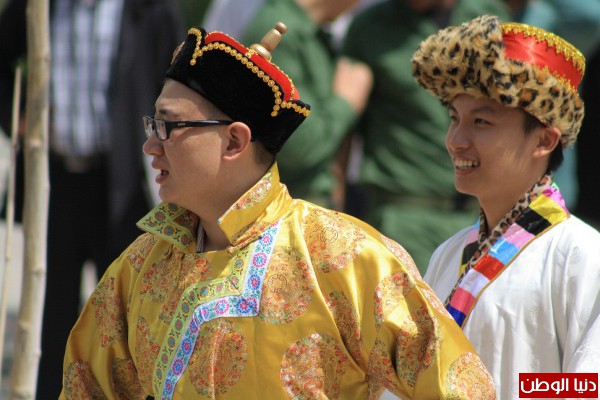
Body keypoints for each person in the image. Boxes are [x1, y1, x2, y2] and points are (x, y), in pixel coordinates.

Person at [60, 23, 496, 399]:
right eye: (151, 125)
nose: (150, 146)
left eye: (167, 126)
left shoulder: (343, 257)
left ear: (234, 141)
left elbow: (458, 385)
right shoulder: (139, 268)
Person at [0, 0, 184, 397]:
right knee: (51, 311)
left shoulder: (150, 9)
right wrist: (15, 117)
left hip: (121, 183)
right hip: (53, 179)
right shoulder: (37, 6)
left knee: (125, 310)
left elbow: (178, 83)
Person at [412, 14, 600, 398]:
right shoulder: (449, 253)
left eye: (481, 122)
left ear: (544, 141)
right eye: (454, 118)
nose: (456, 140)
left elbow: (585, 387)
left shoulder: (583, 256)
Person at [340, 0, 510, 274]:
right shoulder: (370, 27)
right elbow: (344, 135)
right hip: (403, 219)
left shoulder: (490, 16)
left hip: (483, 218)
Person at [220, 0, 373, 210]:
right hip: (284, 212)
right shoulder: (281, 31)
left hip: (301, 206)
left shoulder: (309, 32)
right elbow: (297, 147)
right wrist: (346, 103)